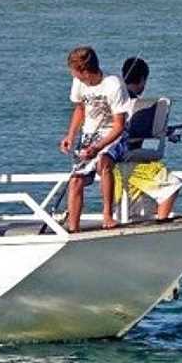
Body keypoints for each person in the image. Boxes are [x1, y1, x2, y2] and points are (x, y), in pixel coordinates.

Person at [59, 47, 129, 232]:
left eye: (76, 73)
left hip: (113, 133)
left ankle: (107, 215)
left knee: (103, 163)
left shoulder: (113, 85)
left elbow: (119, 125)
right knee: (76, 180)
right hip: (89, 134)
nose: (75, 77)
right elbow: (80, 109)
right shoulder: (78, 83)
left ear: (85, 71)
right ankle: (73, 228)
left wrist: (98, 147)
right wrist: (71, 135)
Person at [114, 57, 182, 219]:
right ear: (143, 79)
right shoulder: (138, 104)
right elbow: (139, 130)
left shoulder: (115, 100)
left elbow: (134, 128)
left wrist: (164, 131)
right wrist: (165, 132)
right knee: (172, 186)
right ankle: (162, 227)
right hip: (130, 160)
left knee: (132, 210)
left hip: (112, 162)